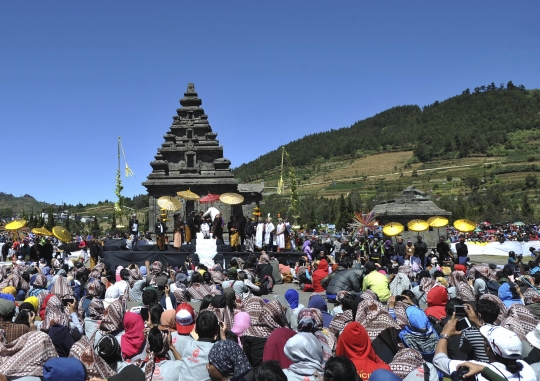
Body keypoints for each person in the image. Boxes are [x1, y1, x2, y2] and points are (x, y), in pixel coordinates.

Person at [433, 315, 536, 381]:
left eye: (485, 341)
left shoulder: (476, 368)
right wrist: (478, 323)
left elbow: (439, 360)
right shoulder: (527, 369)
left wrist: (444, 334)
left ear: (488, 349)